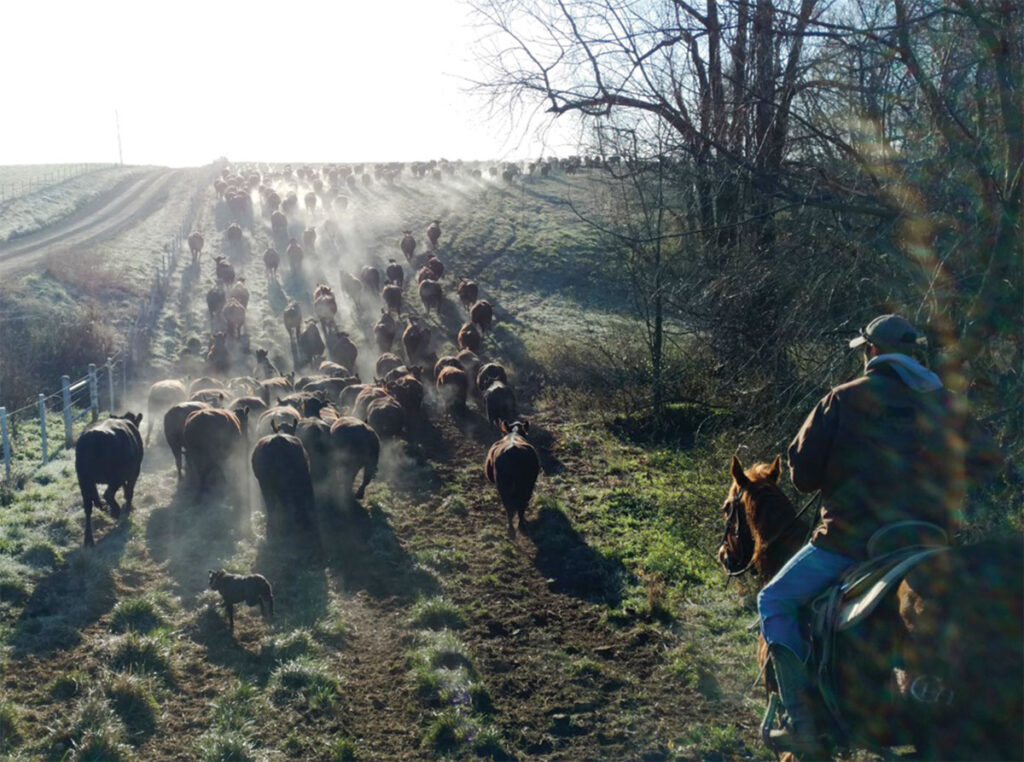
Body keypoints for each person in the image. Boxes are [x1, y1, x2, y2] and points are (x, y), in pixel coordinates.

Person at [759, 314, 1001, 756]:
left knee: (772, 600)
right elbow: (988, 464)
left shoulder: (842, 399)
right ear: (912, 354)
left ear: (870, 352)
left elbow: (803, 478)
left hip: (848, 541)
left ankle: (802, 722)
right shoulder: (945, 402)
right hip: (930, 543)